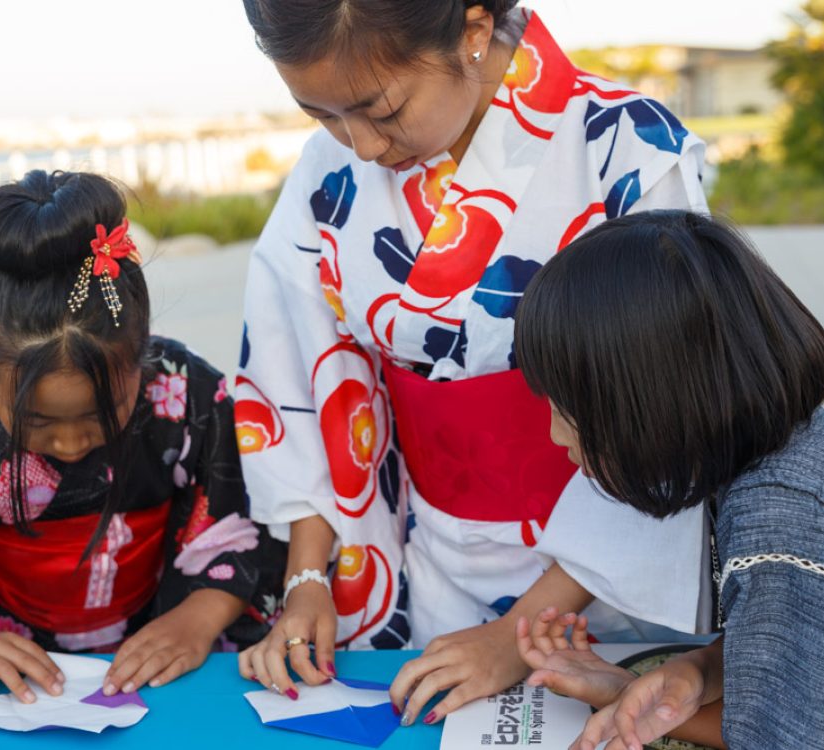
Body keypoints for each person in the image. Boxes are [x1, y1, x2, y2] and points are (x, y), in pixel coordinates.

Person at [236, 0, 712, 726]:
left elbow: (668, 416)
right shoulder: (326, 171)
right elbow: (299, 374)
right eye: (322, 115)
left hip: (601, 577)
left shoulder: (625, 150)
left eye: (382, 110)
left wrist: (516, 635)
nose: (360, 146)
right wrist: (308, 579)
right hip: (427, 554)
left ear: (475, 31)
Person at [0, 170, 284, 750]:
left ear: (142, 350)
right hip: (2, 662)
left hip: (164, 637)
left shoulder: (186, 391)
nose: (72, 444)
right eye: (40, 421)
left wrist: (198, 618)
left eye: (103, 414)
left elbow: (248, 520)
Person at [512, 210, 824, 750]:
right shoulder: (793, 448)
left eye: (569, 408)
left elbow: (790, 738)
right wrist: (699, 671)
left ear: (656, 400)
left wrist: (623, 696)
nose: (555, 434)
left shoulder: (777, 521)